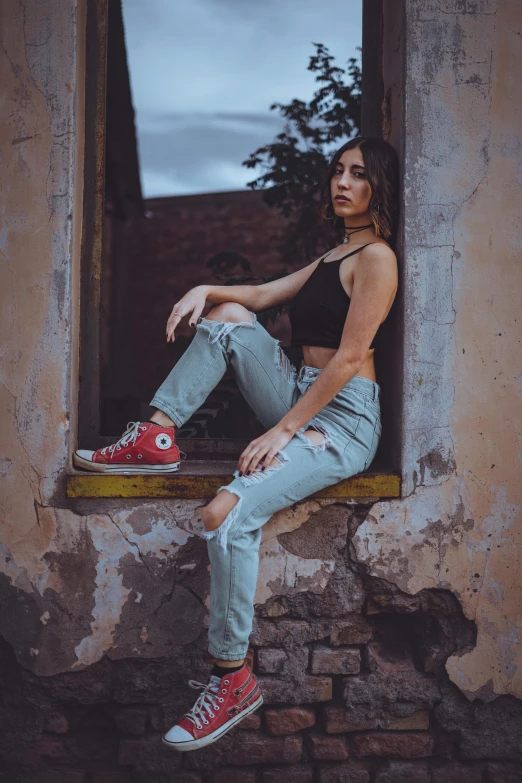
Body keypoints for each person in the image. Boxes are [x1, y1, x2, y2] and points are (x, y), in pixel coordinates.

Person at [74, 136, 399, 752]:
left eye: (358, 174)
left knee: (225, 515)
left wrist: (281, 431)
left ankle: (232, 679)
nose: (343, 182)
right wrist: (206, 290)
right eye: (338, 171)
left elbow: (352, 358)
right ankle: (156, 436)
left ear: (379, 186)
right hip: (302, 393)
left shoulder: (377, 259)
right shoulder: (339, 252)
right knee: (227, 321)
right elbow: (266, 294)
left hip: (343, 419)